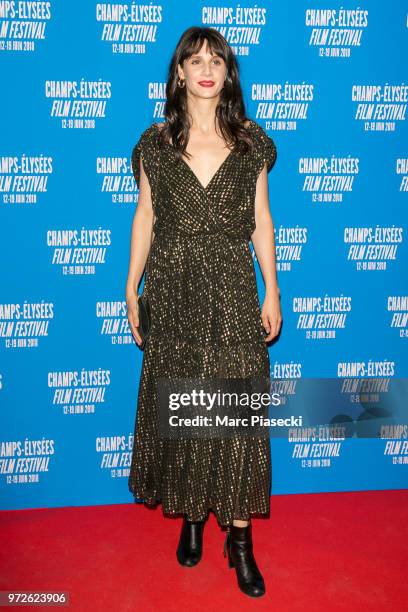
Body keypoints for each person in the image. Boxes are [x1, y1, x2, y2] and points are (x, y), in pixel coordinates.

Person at [126, 26, 282, 598]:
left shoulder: (251, 144)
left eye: (217, 59)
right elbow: (144, 217)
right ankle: (192, 517)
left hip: (233, 286)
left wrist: (273, 289)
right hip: (172, 288)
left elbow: (262, 220)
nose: (207, 69)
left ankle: (239, 541)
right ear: (180, 74)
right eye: (195, 60)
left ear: (228, 73)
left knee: (237, 415)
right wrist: (130, 285)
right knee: (187, 401)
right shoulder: (155, 145)